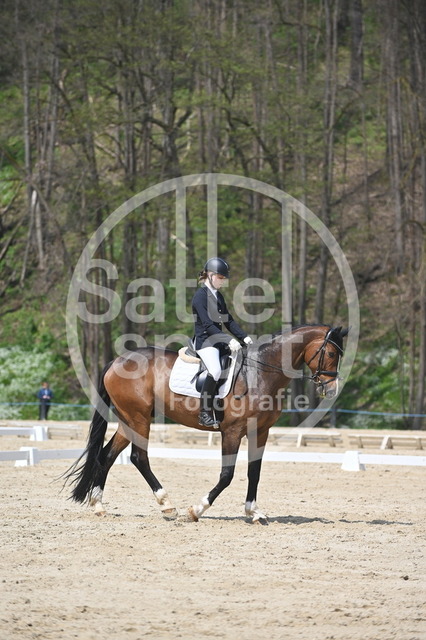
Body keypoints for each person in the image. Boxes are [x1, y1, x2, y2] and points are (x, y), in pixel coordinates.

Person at [192, 257, 253, 428]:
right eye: (220, 278)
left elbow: (228, 321)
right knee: (216, 370)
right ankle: (204, 413)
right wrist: (228, 339)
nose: (223, 281)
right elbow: (208, 325)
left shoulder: (218, 296)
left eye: (224, 278)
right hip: (205, 342)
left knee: (239, 363)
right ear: (210, 275)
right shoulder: (200, 297)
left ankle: (223, 404)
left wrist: (244, 337)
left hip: (218, 342)